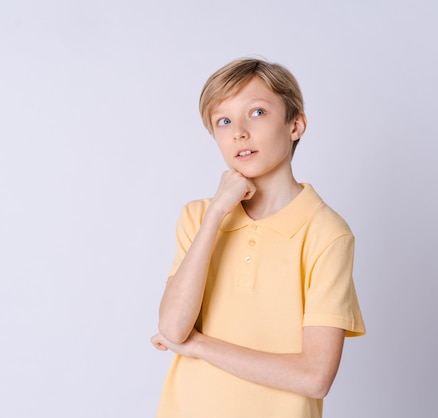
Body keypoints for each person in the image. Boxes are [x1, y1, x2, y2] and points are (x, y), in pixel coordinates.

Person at [151, 57, 365, 418]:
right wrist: (217, 212)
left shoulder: (326, 232)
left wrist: (199, 345)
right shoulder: (198, 217)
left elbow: (315, 376)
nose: (239, 131)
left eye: (257, 112)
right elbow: (172, 327)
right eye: (223, 120)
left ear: (295, 125)